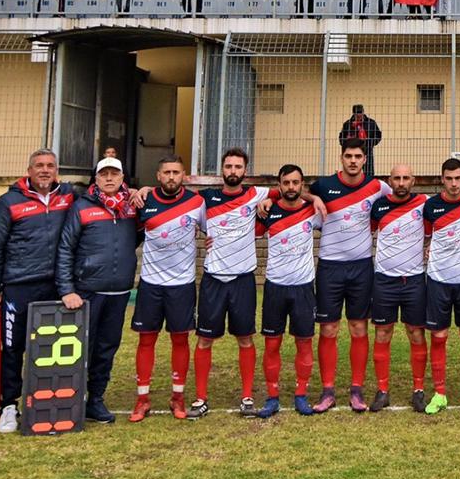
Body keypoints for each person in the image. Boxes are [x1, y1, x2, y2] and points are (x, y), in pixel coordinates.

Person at [192, 148, 322, 419]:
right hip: (217, 279)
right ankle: (201, 398)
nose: (233, 171)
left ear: (245, 171)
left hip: (251, 280)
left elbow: (289, 195)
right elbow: (194, 219)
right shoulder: (206, 199)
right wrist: (143, 189)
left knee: (250, 339)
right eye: (228, 166)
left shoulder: (259, 196)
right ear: (222, 170)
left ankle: (256, 396)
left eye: (238, 167)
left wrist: (315, 197)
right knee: (206, 339)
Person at [0, 149, 75, 433]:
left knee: (52, 346)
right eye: (39, 166)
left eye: (50, 166)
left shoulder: (69, 196)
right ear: (29, 170)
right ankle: (9, 404)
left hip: (57, 285)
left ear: (57, 170)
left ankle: (52, 400)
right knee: (13, 347)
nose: (45, 170)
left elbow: (105, 194)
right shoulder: (9, 202)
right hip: (19, 286)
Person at [309, 141, 392, 413]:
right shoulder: (323, 186)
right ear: (341, 158)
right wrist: (313, 198)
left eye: (358, 156)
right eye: (348, 156)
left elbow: (402, 198)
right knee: (328, 328)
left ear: (364, 159)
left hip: (361, 267)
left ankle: (357, 390)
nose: (353, 161)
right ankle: (328, 391)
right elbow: (292, 191)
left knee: (359, 328)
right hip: (330, 268)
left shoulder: (377, 187)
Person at [56, 156, 139, 424]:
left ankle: (96, 400)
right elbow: (65, 248)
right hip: (87, 293)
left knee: (106, 349)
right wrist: (67, 288)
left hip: (119, 293)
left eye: (115, 174)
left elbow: (141, 235)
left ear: (123, 178)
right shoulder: (81, 207)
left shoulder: (131, 208)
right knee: (82, 349)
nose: (109, 178)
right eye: (104, 174)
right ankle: (71, 399)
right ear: (96, 178)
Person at [127, 156, 205, 422]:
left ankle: (178, 397)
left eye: (176, 172)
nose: (171, 177)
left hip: (181, 285)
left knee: (180, 339)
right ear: (158, 176)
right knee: (146, 339)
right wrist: (138, 191)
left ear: (184, 175)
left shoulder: (197, 202)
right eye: (166, 173)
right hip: (150, 284)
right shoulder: (143, 201)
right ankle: (142, 399)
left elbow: (212, 230)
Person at [257, 164, 323, 417]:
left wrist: (315, 198)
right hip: (275, 287)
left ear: (302, 185)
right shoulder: (268, 213)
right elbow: (243, 234)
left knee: (304, 343)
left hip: (304, 287)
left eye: (296, 183)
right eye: (286, 183)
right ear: (279, 186)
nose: (291, 187)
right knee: (272, 344)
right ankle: (272, 397)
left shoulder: (313, 211)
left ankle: (301, 394)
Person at [422, 157, 460, 414]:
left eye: (458, 178)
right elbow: (426, 236)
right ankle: (439, 393)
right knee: (438, 337)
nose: (454, 183)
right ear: (441, 179)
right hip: (438, 280)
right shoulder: (431, 206)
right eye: (449, 178)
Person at [368, 163, 429, 412]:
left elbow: (448, 210)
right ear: (389, 181)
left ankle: (418, 390)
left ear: (413, 181)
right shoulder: (379, 207)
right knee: (383, 334)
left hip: (414, 280)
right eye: (397, 178)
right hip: (384, 280)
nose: (401, 182)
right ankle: (382, 391)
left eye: (406, 178)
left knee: (416, 333)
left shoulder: (425, 203)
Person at [337, 105, 383, 178]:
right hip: (352, 151)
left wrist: (370, 144)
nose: (359, 115)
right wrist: (346, 145)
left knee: (369, 171)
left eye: (360, 113)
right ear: (353, 113)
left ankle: (369, 184)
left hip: (367, 150)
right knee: (351, 169)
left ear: (363, 112)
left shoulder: (371, 123)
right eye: (357, 113)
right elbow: (341, 137)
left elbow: (378, 135)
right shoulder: (348, 124)